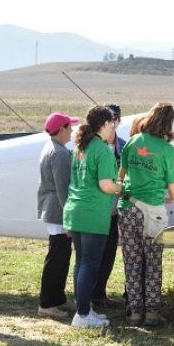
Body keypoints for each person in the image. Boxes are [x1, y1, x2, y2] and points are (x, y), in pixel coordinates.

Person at [118, 102, 174, 327]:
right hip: (153, 211)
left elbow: (122, 174)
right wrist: (170, 198)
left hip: (128, 209)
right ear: (168, 124)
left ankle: (135, 311)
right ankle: (152, 312)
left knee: (132, 260)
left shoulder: (133, 142)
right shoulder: (167, 150)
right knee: (153, 261)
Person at [62, 105, 123, 328]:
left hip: (75, 211)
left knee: (81, 262)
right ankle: (84, 314)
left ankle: (83, 309)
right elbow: (106, 185)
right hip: (92, 213)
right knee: (89, 263)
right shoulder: (103, 150)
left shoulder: (81, 147)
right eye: (112, 123)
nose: (114, 127)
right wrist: (122, 186)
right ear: (105, 124)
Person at [36, 111, 78, 318]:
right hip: (59, 211)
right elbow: (63, 189)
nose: (72, 131)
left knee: (61, 255)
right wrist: (69, 219)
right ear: (61, 129)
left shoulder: (52, 148)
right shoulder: (60, 153)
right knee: (57, 257)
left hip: (53, 208)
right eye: (69, 127)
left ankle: (58, 299)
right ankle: (47, 303)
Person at [92, 103, 127, 309]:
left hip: (115, 210)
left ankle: (100, 293)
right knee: (94, 253)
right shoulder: (93, 146)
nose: (113, 123)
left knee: (109, 253)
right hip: (97, 208)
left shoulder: (124, 145)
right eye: (109, 119)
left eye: (116, 119)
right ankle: (91, 295)